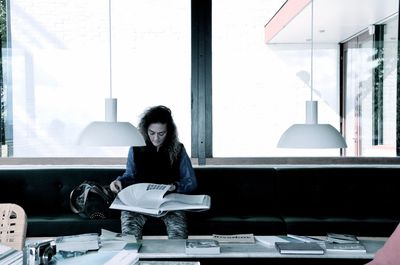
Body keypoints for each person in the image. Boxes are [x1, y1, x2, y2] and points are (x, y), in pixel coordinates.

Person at [110, 105, 197, 240]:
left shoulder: (178, 149)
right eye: (152, 133)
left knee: (178, 240)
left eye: (161, 133)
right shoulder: (136, 148)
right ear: (145, 130)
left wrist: (176, 186)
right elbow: (130, 175)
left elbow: (191, 182)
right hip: (139, 203)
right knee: (130, 241)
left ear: (169, 132)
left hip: (169, 203)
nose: (156, 138)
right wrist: (119, 182)